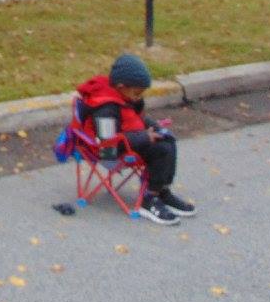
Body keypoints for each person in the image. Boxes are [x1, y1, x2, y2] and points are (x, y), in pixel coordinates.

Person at [76, 54, 196, 226]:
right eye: (137, 93)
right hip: (112, 151)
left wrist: (154, 127)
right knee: (161, 150)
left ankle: (162, 190)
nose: (139, 97)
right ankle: (149, 199)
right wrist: (144, 137)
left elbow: (135, 120)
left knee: (168, 141)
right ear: (121, 87)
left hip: (130, 139)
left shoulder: (126, 98)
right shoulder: (105, 109)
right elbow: (107, 144)